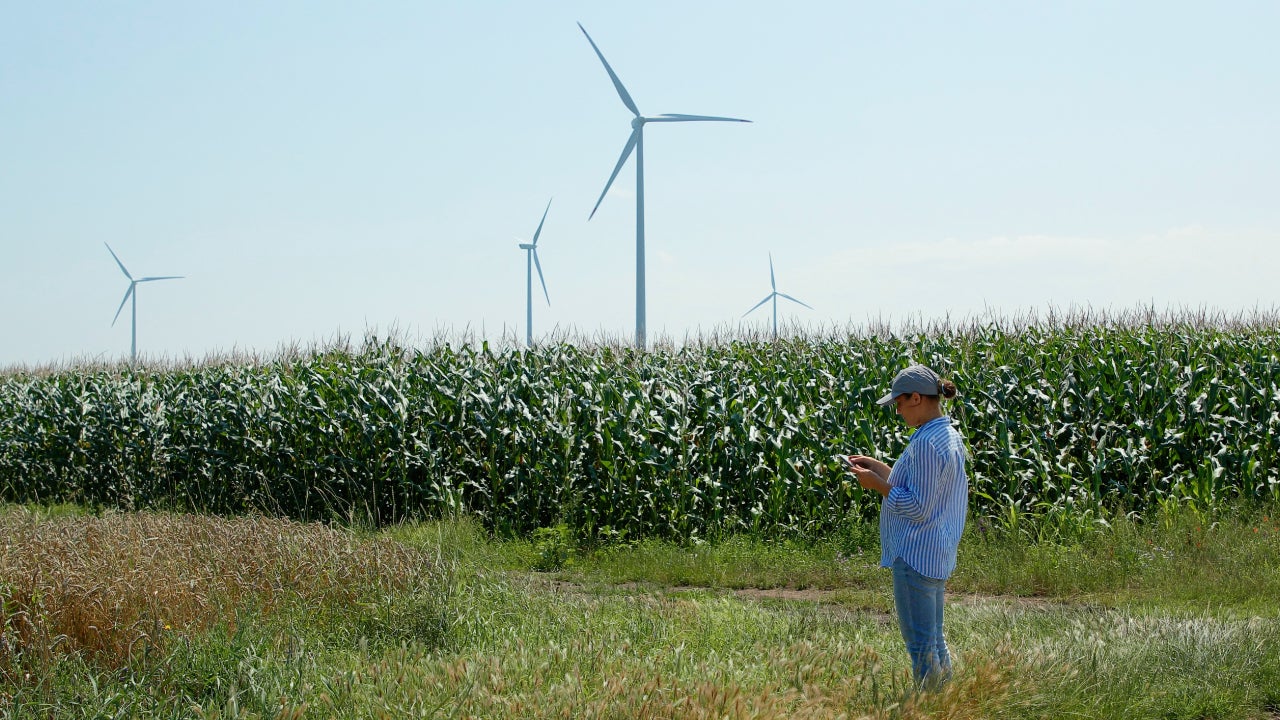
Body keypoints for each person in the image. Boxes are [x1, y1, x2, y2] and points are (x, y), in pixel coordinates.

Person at [842, 363, 967, 688]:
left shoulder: (926, 443)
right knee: (934, 640)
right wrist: (881, 469)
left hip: (915, 554)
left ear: (915, 398)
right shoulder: (947, 435)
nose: (897, 411)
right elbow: (923, 489)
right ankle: (946, 701)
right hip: (936, 552)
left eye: (898, 403)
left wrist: (878, 486)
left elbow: (917, 507)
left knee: (921, 647)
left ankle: (930, 708)